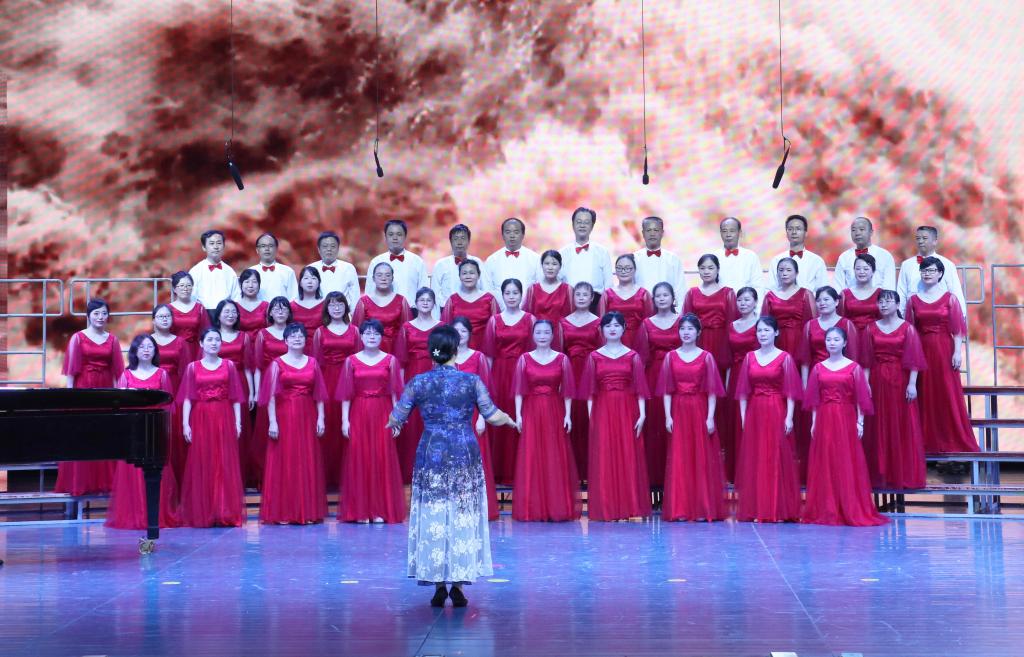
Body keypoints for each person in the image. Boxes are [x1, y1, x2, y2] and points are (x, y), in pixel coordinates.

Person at [387, 325, 517, 608]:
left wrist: (395, 425)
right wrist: (510, 420)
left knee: (434, 515)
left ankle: (437, 585)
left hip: (432, 454)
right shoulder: (471, 381)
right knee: (461, 515)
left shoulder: (419, 382)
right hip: (463, 453)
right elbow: (492, 415)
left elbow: (397, 415)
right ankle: (458, 585)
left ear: (431, 352)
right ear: (456, 350)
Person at [801, 326, 888, 527]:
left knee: (846, 460)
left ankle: (848, 506)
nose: (832, 343)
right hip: (824, 417)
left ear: (845, 343)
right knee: (826, 460)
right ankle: (827, 507)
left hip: (846, 417)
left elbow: (861, 398)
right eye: (828, 340)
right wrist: (814, 422)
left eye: (836, 340)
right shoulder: (818, 368)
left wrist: (860, 422)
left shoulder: (853, 367)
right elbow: (814, 399)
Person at [577, 312, 651, 521]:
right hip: (603, 409)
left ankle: (629, 506)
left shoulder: (633, 356)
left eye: (617, 325)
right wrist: (592, 416)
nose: (612, 329)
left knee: (628, 454)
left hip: (628, 409)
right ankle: (607, 507)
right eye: (608, 325)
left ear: (624, 328)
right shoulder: (594, 357)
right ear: (601, 329)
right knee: (605, 456)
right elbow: (590, 392)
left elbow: (640, 388)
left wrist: (642, 414)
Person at [657, 313, 728, 521]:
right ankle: (680, 508)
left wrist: (710, 417)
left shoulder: (706, 357)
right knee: (680, 458)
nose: (686, 332)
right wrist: (668, 416)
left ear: (698, 332)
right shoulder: (671, 357)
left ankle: (702, 507)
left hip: (699, 409)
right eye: (682, 329)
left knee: (700, 457)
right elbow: (667, 390)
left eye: (690, 329)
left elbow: (712, 391)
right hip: (678, 410)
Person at [106, 335, 181, 530]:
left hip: (154, 431)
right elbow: (120, 406)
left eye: (150, 346)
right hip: (133, 431)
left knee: (155, 472)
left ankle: (155, 516)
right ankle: (134, 514)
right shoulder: (126, 375)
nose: (146, 350)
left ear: (155, 351)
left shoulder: (162, 375)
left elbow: (168, 405)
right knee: (133, 473)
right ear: (135, 351)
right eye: (142, 347)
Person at [906, 257, 979, 454]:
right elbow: (910, 331)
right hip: (921, 349)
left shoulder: (950, 298)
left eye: (931, 270)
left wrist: (957, 352)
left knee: (946, 392)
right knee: (924, 392)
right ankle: (925, 440)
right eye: (924, 270)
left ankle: (951, 440)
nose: (927, 274)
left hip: (944, 350)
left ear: (940, 274)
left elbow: (957, 329)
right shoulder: (913, 300)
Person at [336, 319, 406, 523]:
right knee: (360, 458)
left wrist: (397, 419)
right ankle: (360, 511)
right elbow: (346, 394)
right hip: (359, 411)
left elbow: (395, 393)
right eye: (367, 333)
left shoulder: (391, 360)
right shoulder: (351, 361)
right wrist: (344, 420)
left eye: (376, 333)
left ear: (382, 337)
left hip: (383, 412)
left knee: (382, 458)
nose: (372, 337)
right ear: (361, 336)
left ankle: (379, 510)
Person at [734, 316, 802, 523]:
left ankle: (777, 509)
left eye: (766, 330)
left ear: (776, 332)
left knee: (776, 457)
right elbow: (743, 392)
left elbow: (791, 392)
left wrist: (789, 417)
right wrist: (744, 417)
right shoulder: (749, 357)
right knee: (756, 457)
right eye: (759, 331)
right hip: (755, 410)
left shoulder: (785, 358)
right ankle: (757, 508)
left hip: (776, 409)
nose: (762, 334)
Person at [259, 322, 328, 524]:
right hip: (284, 416)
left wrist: (321, 417)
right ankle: (284, 512)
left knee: (306, 461)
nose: (297, 339)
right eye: (293, 336)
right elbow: (271, 396)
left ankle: (307, 511)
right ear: (286, 340)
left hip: (307, 415)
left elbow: (319, 394)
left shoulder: (313, 363)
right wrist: (272, 421)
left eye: (301, 336)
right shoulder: (276, 364)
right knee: (285, 461)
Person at [511, 321, 580, 522]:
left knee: (553, 455)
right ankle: (532, 508)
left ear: (552, 335)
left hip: (554, 410)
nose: (542, 336)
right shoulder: (524, 359)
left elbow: (567, 391)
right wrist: (518, 415)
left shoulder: (562, 359)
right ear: (533, 335)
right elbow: (519, 390)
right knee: (531, 454)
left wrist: (568, 415)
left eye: (546, 332)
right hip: (531, 410)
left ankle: (556, 507)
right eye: (538, 332)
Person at [178, 328, 246, 527]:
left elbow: (235, 398)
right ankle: (205, 512)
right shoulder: (192, 367)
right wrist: (185, 424)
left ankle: (225, 511)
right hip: (201, 417)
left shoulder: (229, 366)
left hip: (224, 416)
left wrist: (238, 422)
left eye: (217, 340)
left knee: (224, 462)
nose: (214, 343)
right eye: (209, 340)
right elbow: (188, 398)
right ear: (201, 343)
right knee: (203, 461)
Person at [55, 298, 123, 495]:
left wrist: (118, 399)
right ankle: (80, 483)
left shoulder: (113, 340)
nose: (100, 317)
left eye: (104, 313)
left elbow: (118, 373)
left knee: (103, 433)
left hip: (105, 391)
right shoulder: (78, 338)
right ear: (88, 316)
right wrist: (70, 398)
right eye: (96, 313)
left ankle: (104, 482)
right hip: (83, 389)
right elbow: (71, 372)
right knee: (83, 434)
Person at [863, 290, 927, 489]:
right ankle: (881, 472)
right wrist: (865, 383)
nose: (883, 305)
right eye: (880, 302)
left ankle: (903, 473)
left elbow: (914, 359)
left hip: (900, 380)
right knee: (879, 424)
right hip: (877, 379)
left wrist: (912, 384)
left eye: (888, 301)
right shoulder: (870, 328)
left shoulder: (908, 328)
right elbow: (866, 360)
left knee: (901, 423)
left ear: (898, 304)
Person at [797, 286, 859, 482]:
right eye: (819, 300)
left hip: (841, 381)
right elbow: (805, 358)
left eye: (826, 299)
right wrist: (806, 385)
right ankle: (816, 476)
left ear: (836, 302)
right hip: (817, 379)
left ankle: (841, 476)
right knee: (816, 430)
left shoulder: (846, 324)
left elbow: (853, 357)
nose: (822, 303)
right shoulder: (810, 325)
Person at [482, 279, 535, 484]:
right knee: (501, 417)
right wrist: (486, 382)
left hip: (524, 374)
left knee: (522, 417)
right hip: (500, 374)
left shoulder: (530, 319)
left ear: (521, 295)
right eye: (508, 293)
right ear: (502, 295)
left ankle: (523, 470)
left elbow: (535, 351)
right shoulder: (494, 321)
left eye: (515, 293)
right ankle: (499, 471)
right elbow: (488, 356)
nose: (511, 297)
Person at [452, 316, 501, 521]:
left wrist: (482, 417)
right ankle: (453, 507)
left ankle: (477, 507)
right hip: (449, 417)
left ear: (470, 334)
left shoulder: (478, 357)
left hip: (472, 415)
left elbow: (484, 391)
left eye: (464, 331)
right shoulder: (442, 355)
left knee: (474, 460)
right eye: (456, 331)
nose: (460, 335)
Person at [312, 292, 362, 490]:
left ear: (346, 307)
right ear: (327, 308)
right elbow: (315, 363)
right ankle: (326, 477)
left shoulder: (355, 331)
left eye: (340, 304)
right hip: (327, 380)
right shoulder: (320, 332)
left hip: (350, 380)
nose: (336, 308)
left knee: (349, 426)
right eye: (332, 305)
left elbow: (359, 359)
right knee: (328, 424)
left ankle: (347, 476)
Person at [395, 288, 442, 483]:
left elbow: (447, 356)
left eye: (429, 300)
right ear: (415, 303)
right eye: (421, 299)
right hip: (413, 376)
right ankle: (412, 470)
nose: (425, 303)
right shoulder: (406, 327)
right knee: (414, 423)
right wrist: (401, 389)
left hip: (435, 378)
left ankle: (435, 470)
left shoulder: (441, 327)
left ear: (434, 303)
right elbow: (401, 361)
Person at [559, 282, 602, 482]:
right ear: (573, 297)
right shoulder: (563, 322)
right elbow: (559, 353)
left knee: (589, 419)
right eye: (578, 294)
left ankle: (591, 471)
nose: (582, 297)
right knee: (571, 419)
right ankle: (573, 472)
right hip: (570, 374)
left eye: (586, 294)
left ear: (592, 298)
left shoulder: (599, 323)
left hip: (591, 374)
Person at [249, 297, 293, 489]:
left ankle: (289, 473)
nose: (280, 312)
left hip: (291, 385)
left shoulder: (295, 333)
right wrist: (259, 391)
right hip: (269, 387)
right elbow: (258, 366)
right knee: (267, 431)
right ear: (270, 313)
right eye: (276, 309)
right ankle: (266, 475)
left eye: (284, 309)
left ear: (289, 312)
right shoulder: (262, 334)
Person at [641, 282, 681, 488]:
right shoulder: (646, 324)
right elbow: (642, 357)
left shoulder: (682, 321)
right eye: (658, 296)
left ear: (673, 298)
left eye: (666, 295)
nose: (662, 298)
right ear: (653, 300)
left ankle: (677, 479)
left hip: (678, 376)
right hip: (654, 377)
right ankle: (655, 480)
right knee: (656, 423)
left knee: (677, 423)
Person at [150, 303, 193, 486]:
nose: (165, 319)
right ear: (153, 320)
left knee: (175, 433)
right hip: (154, 390)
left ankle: (178, 482)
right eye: (161, 316)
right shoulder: (148, 342)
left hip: (175, 389)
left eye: (168, 316)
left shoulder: (180, 342)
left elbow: (186, 374)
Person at [722, 287, 760, 482]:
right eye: (740, 300)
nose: (743, 303)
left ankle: (755, 470)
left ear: (755, 302)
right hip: (736, 376)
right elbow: (728, 358)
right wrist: (728, 384)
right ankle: (737, 471)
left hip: (756, 375)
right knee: (737, 421)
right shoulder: (731, 326)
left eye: (747, 299)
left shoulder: (762, 324)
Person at [212, 299, 256, 464]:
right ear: (219, 315)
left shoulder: (244, 337)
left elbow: (247, 367)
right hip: (217, 383)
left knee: (240, 424)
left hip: (240, 383)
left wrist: (252, 392)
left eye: (233, 312)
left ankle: (240, 467)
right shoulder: (213, 336)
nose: (230, 315)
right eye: (226, 312)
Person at [683, 254, 737, 385]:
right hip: (698, 341)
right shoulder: (692, 293)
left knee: (718, 379)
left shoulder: (728, 293)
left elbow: (732, 323)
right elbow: (686, 324)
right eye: (702, 268)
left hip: (721, 341)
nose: (706, 271)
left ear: (718, 269)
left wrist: (727, 347)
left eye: (710, 268)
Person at [897, 225, 967, 319]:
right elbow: (901, 293)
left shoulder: (947, 264)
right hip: (913, 317)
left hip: (940, 318)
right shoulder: (906, 265)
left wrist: (959, 318)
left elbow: (956, 293)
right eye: (918, 238)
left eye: (924, 238)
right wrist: (901, 320)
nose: (920, 241)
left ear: (935, 241)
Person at [364, 219, 429, 306]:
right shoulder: (376, 261)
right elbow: (369, 292)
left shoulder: (417, 261)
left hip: (411, 310)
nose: (395, 238)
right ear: (385, 237)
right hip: (382, 310)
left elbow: (424, 291)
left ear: (405, 237)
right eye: (391, 234)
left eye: (399, 234)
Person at [558, 207, 613, 308]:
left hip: (596, 303)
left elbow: (609, 284)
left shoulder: (602, 252)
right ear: (573, 225)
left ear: (592, 226)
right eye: (579, 222)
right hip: (569, 303)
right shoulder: (562, 253)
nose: (582, 225)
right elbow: (558, 282)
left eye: (586, 222)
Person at [352, 262, 412, 354]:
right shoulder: (364, 301)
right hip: (370, 350)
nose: (383, 278)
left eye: (387, 275)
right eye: (379, 275)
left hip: (395, 349)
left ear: (392, 278)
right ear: (373, 278)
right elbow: (357, 331)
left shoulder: (401, 301)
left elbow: (408, 331)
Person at [762, 258, 816, 357]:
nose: (784, 273)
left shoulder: (806, 294)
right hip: (775, 340)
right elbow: (764, 323)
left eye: (788, 270)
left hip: (799, 341)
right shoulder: (770, 296)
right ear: (777, 274)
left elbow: (812, 323)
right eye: (781, 270)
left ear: (797, 273)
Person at [483, 217, 541, 309]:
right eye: (508, 232)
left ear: (523, 235)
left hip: (528, 313)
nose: (512, 235)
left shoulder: (535, 259)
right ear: (502, 235)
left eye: (516, 232)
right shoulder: (492, 260)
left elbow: (539, 289)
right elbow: (487, 290)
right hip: (499, 313)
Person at [599, 254, 653, 351]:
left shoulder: (644, 294)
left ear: (635, 270)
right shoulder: (607, 294)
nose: (623, 271)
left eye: (627, 268)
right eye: (619, 268)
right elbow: (601, 324)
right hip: (613, 340)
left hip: (639, 341)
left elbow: (650, 324)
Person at [440, 259, 498, 350]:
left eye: (472, 273)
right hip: (458, 350)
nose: (468, 276)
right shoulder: (452, 300)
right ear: (459, 276)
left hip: (485, 349)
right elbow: (445, 329)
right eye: (464, 273)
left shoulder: (489, 299)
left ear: (479, 275)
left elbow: (497, 328)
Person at [431, 224, 487, 310]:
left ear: (469, 241)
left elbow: (486, 290)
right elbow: (435, 294)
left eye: (463, 238)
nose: (459, 242)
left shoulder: (478, 262)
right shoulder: (441, 265)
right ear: (451, 242)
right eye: (456, 239)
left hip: (474, 309)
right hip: (447, 311)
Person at [838, 253, 882, 362]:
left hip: (874, 340)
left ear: (873, 271)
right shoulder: (844, 294)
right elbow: (840, 321)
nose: (861, 272)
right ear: (854, 271)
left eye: (866, 269)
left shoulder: (880, 294)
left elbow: (884, 320)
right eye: (858, 269)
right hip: (850, 340)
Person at [832, 216, 896, 290]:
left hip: (879, 297)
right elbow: (838, 288)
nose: (857, 233)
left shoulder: (885, 256)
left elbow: (889, 287)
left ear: (871, 232)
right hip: (850, 297)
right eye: (853, 230)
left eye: (861, 229)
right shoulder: (844, 257)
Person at [767, 215, 829, 292]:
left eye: (798, 229)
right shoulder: (776, 260)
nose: (794, 232)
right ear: (786, 233)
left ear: (806, 233)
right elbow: (770, 289)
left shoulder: (817, 261)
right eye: (790, 229)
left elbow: (823, 291)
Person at [187, 229, 240, 315]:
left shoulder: (230, 272)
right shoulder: (195, 271)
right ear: (204, 247)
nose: (216, 247)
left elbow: (236, 296)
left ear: (223, 246)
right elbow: (191, 298)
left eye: (219, 243)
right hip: (202, 314)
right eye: (211, 243)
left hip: (225, 315)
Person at [308, 230, 360, 311]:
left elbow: (355, 296)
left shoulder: (348, 268)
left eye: (333, 246)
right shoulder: (310, 268)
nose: (329, 249)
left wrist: (354, 315)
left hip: (342, 314)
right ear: (318, 249)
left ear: (338, 249)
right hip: (316, 313)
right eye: (325, 246)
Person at [633, 215, 685, 295]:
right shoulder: (634, 259)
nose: (652, 234)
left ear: (662, 233)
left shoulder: (673, 259)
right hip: (640, 302)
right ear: (643, 233)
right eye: (648, 230)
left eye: (656, 230)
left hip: (668, 303)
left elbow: (680, 288)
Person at [716, 217, 764, 297]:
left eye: (732, 231)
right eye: (724, 231)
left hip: (746, 303)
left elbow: (758, 286)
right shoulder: (714, 256)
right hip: (720, 303)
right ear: (720, 233)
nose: (728, 235)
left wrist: (757, 305)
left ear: (740, 233)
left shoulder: (751, 256)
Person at [523, 250, 573, 323]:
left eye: (554, 264)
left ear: (560, 266)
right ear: (542, 265)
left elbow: (571, 317)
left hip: (561, 330)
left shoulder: (568, 289)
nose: (550, 267)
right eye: (547, 264)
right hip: (538, 329)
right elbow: (528, 317)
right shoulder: (532, 289)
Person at [168, 271, 209, 359]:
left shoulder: (200, 308)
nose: (185, 288)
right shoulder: (168, 309)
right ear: (174, 289)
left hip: (196, 350)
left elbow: (206, 332)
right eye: (181, 285)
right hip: (174, 350)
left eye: (188, 285)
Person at [248, 232, 298, 302]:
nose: (267, 249)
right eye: (263, 246)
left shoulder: (288, 271)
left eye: (271, 246)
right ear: (257, 250)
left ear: (276, 249)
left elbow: (294, 298)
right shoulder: (250, 272)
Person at [290, 266, 326, 343]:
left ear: (319, 282)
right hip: (297, 345)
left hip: (321, 345)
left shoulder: (326, 304)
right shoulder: (292, 306)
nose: (310, 281)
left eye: (313, 278)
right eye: (306, 278)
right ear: (300, 283)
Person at [236, 269, 270, 337]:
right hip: (241, 343)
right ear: (240, 284)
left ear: (259, 284)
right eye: (247, 282)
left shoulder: (266, 306)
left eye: (254, 282)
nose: (250, 285)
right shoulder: (235, 306)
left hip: (263, 342)